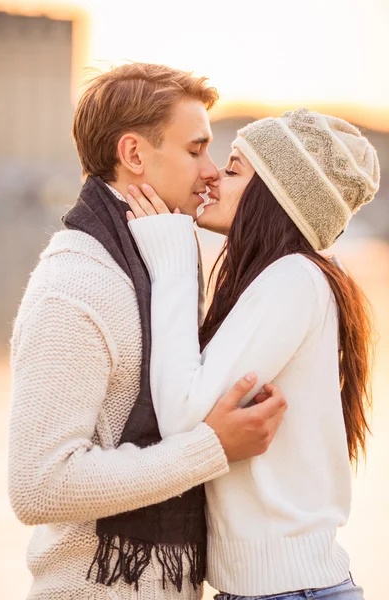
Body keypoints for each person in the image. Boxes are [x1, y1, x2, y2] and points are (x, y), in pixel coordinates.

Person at [7, 62, 287, 600]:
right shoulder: (78, 284)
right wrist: (213, 446)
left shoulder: (162, 268)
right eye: (194, 149)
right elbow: (37, 487)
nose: (210, 171)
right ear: (134, 154)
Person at [125, 107, 380, 600]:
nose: (214, 175)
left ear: (276, 196)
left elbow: (183, 417)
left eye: (235, 168)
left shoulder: (293, 279)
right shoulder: (286, 280)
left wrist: (174, 258)